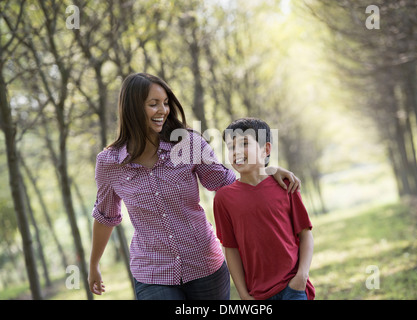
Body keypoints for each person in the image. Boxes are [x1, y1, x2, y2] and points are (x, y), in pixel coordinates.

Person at [88, 73, 301, 300]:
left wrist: (266, 170)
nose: (163, 110)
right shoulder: (109, 163)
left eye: (166, 103)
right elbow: (105, 216)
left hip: (205, 265)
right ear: (132, 109)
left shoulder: (187, 143)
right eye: (153, 104)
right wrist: (94, 265)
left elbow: (227, 181)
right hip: (152, 272)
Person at [213, 117, 315, 300]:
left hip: (293, 287)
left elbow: (305, 234)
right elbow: (231, 249)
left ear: (265, 149)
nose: (236, 152)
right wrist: (244, 295)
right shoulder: (223, 198)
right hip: (258, 295)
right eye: (231, 147)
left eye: (244, 143)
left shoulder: (285, 185)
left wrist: (301, 277)